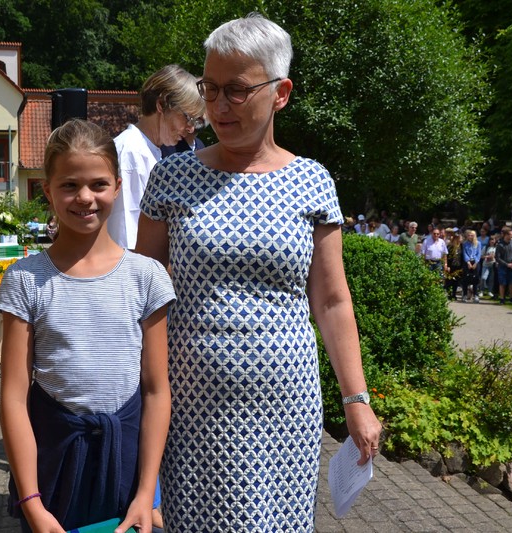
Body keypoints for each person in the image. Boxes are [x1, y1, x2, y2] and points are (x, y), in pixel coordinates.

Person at [134, 14, 381, 531]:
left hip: (285, 408)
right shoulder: (172, 176)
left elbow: (332, 300)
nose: (218, 105)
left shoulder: (312, 181)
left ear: (280, 93)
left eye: (237, 90)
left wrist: (356, 400)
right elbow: (144, 293)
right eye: (210, 88)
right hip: (193, 407)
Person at [0, 120, 175, 533]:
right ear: (48, 191)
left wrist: (146, 493)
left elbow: (155, 390)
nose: (85, 197)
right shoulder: (25, 280)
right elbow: (14, 398)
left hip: (126, 467)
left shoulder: (146, 277)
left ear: (117, 186)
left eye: (98, 184)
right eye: (69, 185)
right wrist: (32, 504)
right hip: (55, 468)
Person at [107, 64, 205, 250]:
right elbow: (128, 236)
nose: (191, 128)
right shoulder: (132, 153)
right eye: (187, 118)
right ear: (161, 105)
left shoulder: (149, 150)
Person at [495, 227, 512, 305]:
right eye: (510, 234)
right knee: (502, 283)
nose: (511, 236)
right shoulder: (500, 245)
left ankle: (511, 298)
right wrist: (507, 264)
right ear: (505, 235)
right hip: (503, 266)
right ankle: (502, 299)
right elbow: (497, 257)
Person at [461, 229, 481, 303]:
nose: (470, 236)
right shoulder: (465, 243)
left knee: (475, 279)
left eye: (472, 235)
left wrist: (476, 262)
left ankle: (475, 295)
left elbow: (479, 253)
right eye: (469, 235)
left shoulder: (478, 243)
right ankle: (465, 295)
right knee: (465, 279)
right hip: (467, 262)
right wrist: (468, 262)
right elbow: (464, 253)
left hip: (475, 262)